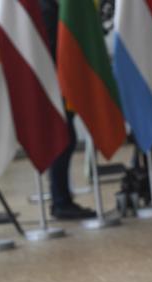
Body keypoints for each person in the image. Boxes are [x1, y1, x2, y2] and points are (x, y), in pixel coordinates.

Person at [39, 0, 95, 220]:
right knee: (63, 138)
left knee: (65, 138)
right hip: (54, 82)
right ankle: (61, 201)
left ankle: (62, 198)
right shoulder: (48, 8)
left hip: (57, 81)